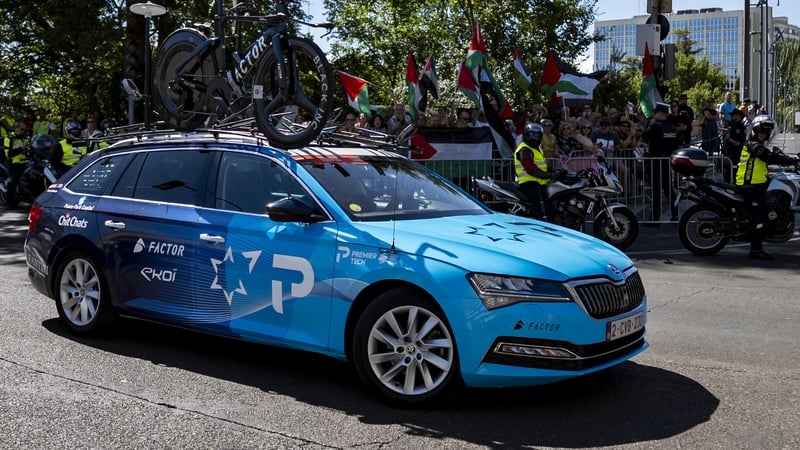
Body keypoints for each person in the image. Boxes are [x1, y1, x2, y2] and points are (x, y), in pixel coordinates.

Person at [735, 115, 799, 260]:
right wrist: (787, 160)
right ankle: (755, 249)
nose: (764, 134)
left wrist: (791, 161)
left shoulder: (758, 144)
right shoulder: (752, 144)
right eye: (761, 131)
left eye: (766, 132)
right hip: (748, 186)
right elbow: (766, 156)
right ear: (755, 130)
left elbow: (767, 159)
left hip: (757, 184)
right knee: (761, 212)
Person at [641, 102, 680, 224]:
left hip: (655, 159)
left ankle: (655, 218)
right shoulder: (671, 126)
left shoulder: (656, 126)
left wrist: (648, 126)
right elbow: (674, 143)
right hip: (666, 160)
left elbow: (645, 137)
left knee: (656, 189)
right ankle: (675, 214)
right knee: (668, 189)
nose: (653, 115)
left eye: (655, 112)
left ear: (661, 113)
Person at [514, 122, 561, 220]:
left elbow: (542, 164)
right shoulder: (524, 150)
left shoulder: (537, 148)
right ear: (526, 135)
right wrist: (550, 175)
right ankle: (546, 225)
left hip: (539, 182)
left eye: (537, 135)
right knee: (545, 209)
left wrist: (556, 171)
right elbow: (531, 170)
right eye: (531, 135)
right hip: (531, 183)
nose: (534, 138)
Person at [2, 121, 31, 209]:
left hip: (26, 161)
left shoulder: (25, 138)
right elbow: (9, 154)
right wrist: (21, 148)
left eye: (25, 129)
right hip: (15, 162)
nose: (24, 131)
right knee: (13, 181)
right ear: (16, 128)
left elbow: (30, 148)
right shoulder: (9, 138)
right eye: (22, 129)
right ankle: (9, 203)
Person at [721, 108, 747, 183]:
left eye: (733, 115)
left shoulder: (739, 127)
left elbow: (738, 143)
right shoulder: (734, 126)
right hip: (729, 155)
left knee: (731, 177)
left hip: (734, 156)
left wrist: (728, 139)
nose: (731, 117)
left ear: (738, 116)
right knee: (727, 176)